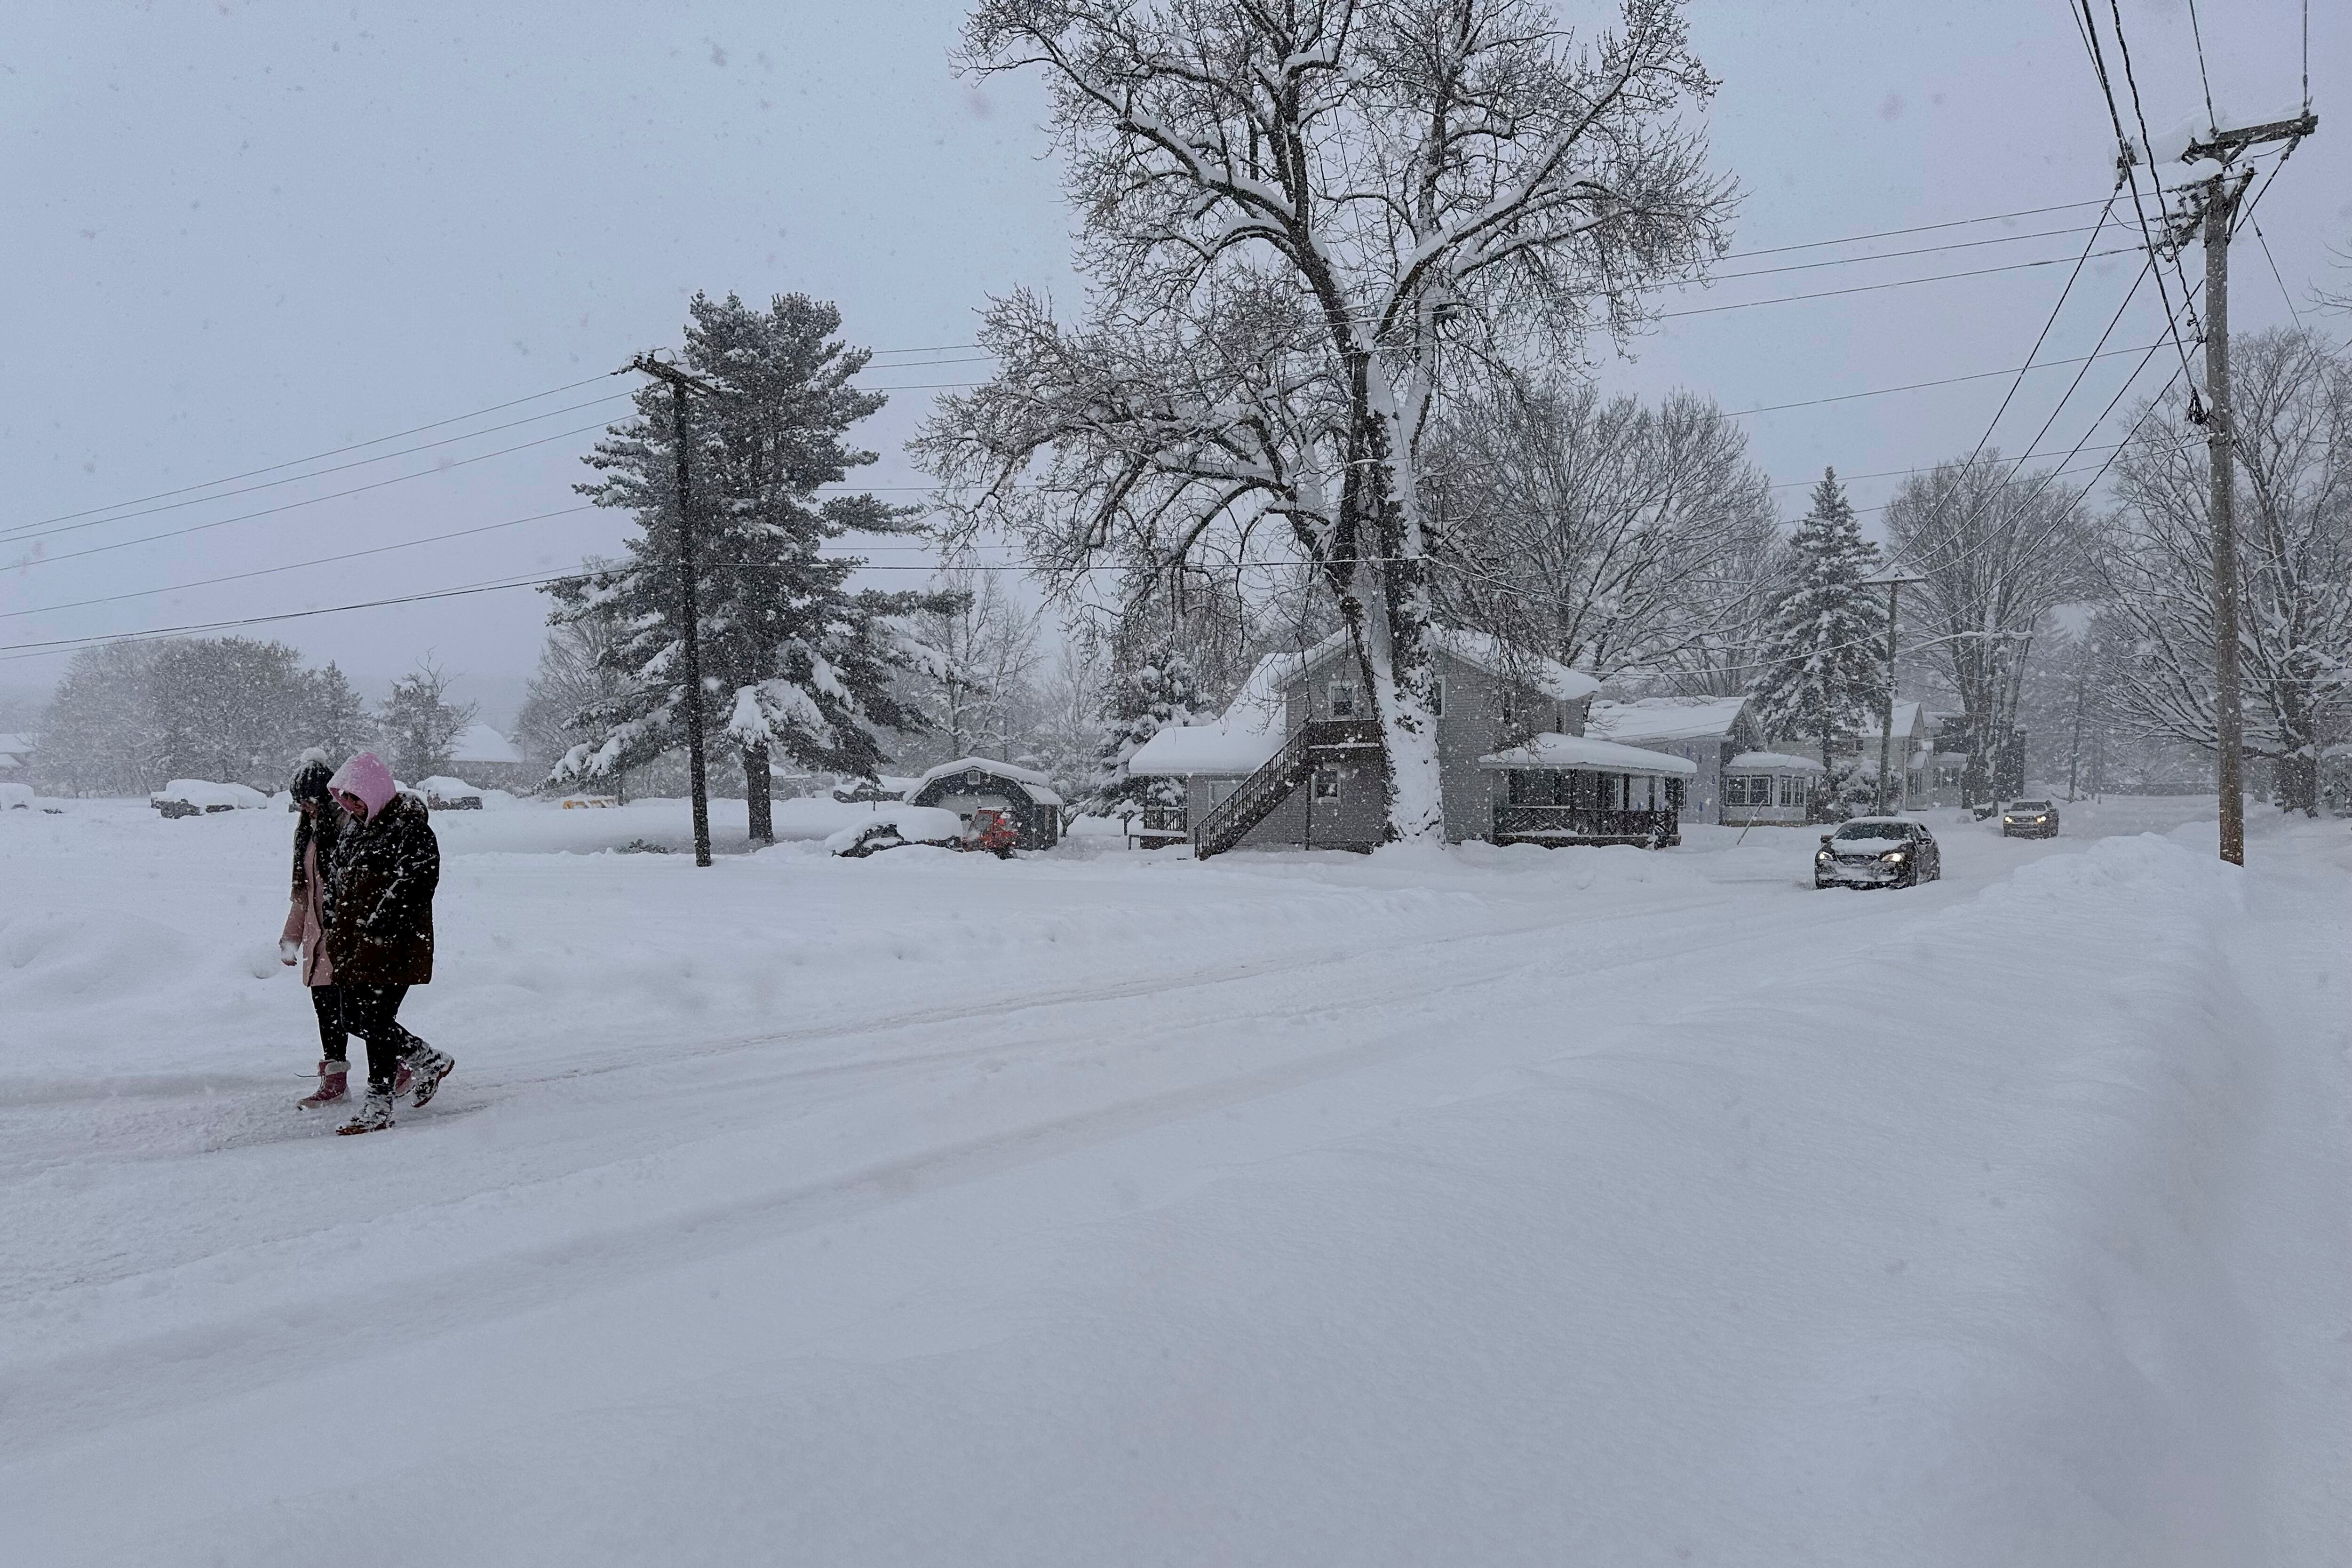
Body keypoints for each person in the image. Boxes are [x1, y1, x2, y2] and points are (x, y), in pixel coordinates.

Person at [322, 751, 455, 1135]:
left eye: (355, 796)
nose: (349, 804)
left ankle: (378, 1104)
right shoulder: (354, 831)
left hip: (394, 946)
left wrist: (377, 928)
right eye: (343, 798)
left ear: (375, 791)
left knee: (376, 1020)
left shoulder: (409, 829)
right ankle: (428, 1059)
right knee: (352, 1019)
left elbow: (415, 884)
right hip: (354, 947)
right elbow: (337, 883)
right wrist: (335, 926)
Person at [279, 751, 357, 1106]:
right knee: (328, 1015)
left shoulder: (345, 832)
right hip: (319, 944)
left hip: (344, 941)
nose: (306, 810)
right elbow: (304, 895)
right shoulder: (308, 837)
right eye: (301, 804)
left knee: (358, 1014)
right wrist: (291, 938)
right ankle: (335, 1081)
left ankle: (404, 1062)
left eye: (310, 802)